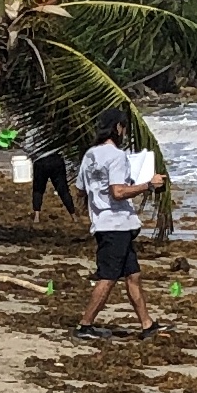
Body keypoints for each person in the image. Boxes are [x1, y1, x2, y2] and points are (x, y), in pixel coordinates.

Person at [73, 110, 156, 336]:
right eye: (124, 128)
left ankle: (147, 324)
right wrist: (147, 185)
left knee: (133, 275)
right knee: (108, 277)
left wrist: (96, 200)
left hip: (106, 223)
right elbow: (118, 192)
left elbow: (80, 190)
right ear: (118, 128)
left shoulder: (89, 155)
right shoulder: (117, 156)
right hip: (115, 224)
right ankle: (85, 324)